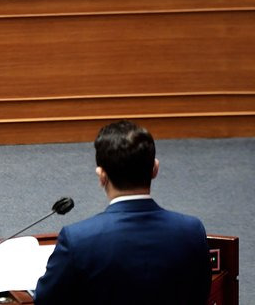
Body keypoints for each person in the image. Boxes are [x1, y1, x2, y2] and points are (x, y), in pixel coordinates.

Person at [34, 120, 211, 304]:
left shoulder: (77, 240)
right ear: (155, 169)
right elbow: (200, 294)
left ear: (102, 176)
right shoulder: (191, 231)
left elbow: (46, 301)